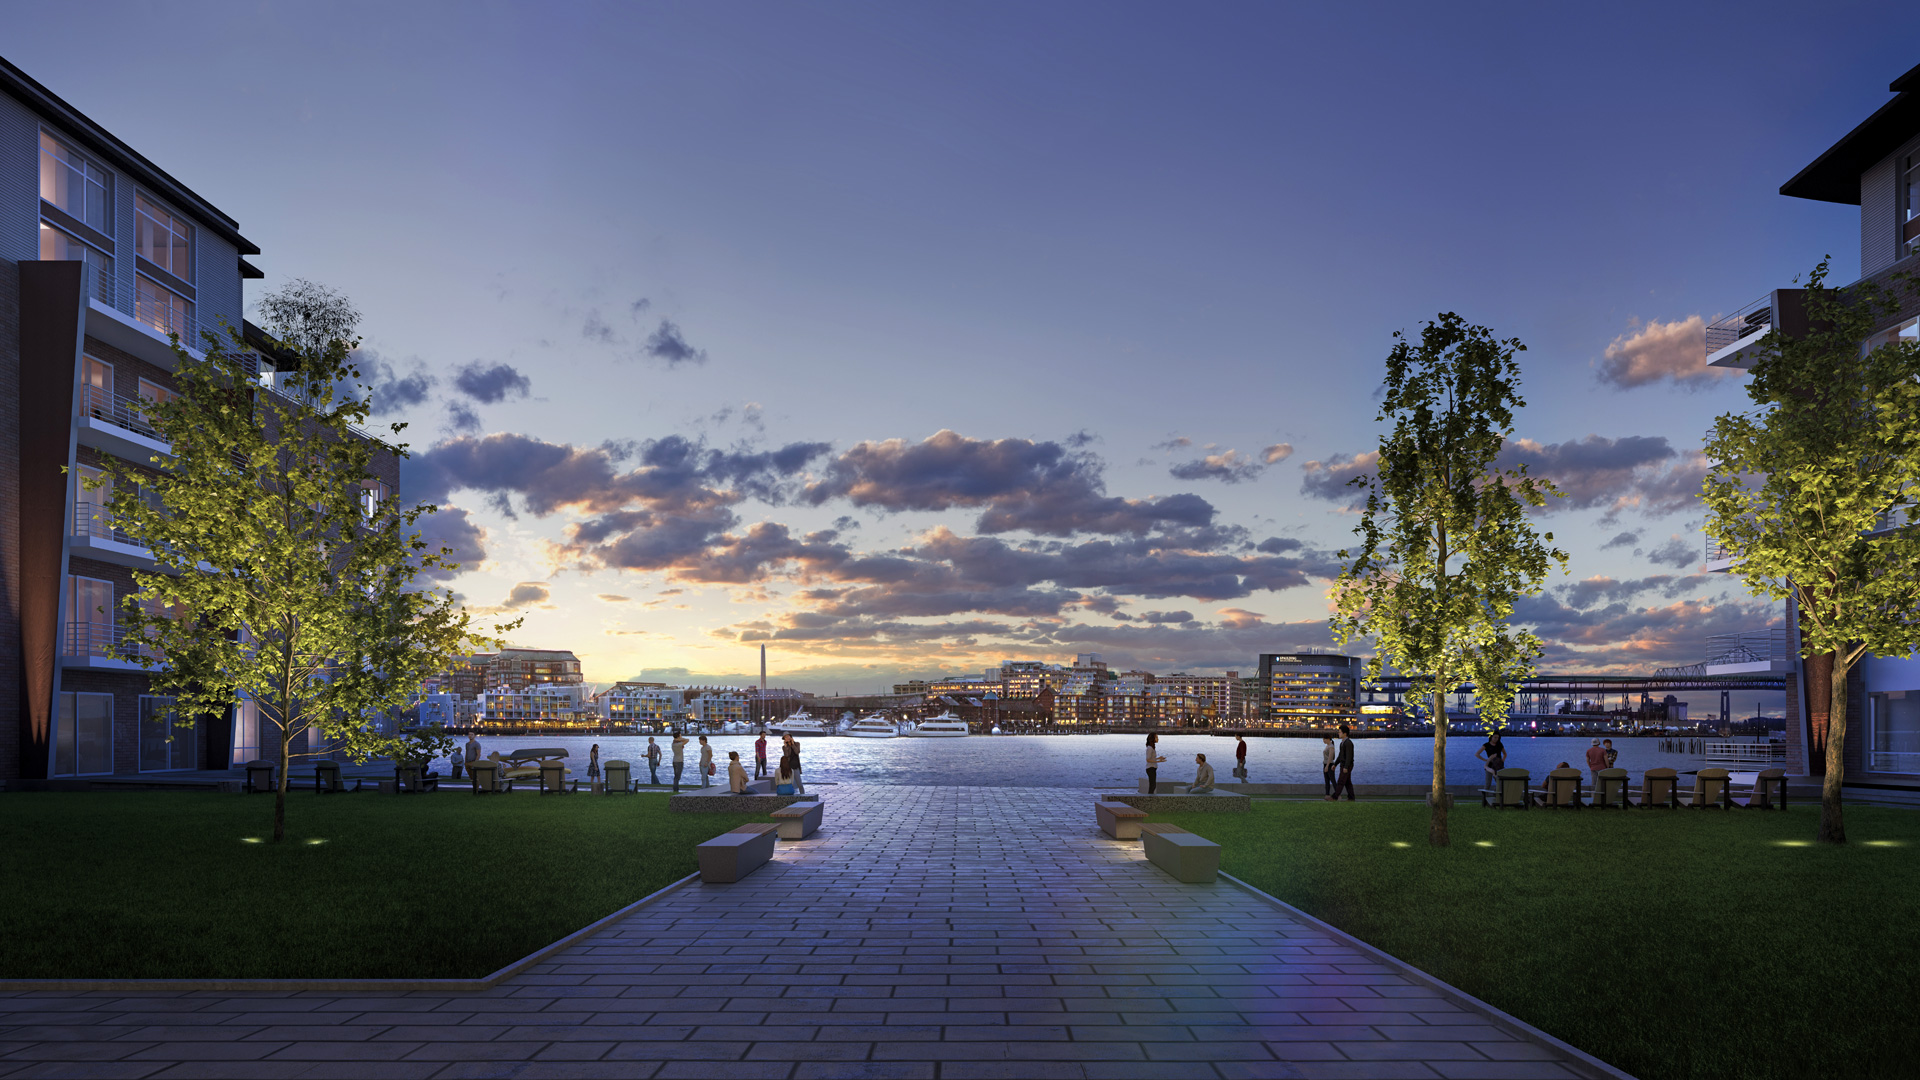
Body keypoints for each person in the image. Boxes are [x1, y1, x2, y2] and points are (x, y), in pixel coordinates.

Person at [1331, 724, 1356, 801]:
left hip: (1346, 765)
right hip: (1344, 765)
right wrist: (1335, 764)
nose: (1338, 733)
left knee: (1341, 781)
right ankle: (1351, 797)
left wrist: (1346, 767)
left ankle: (1335, 797)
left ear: (1344, 733)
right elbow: (1340, 755)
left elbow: (1349, 756)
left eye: (1340, 732)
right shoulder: (1342, 743)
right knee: (1347, 782)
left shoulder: (1348, 743)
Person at [1320, 734, 1337, 798]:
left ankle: (1338, 795)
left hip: (1329, 765)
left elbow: (1331, 757)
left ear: (1327, 739)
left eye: (1324, 739)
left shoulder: (1331, 746)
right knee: (1327, 781)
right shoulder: (1327, 746)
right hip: (1325, 764)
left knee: (1332, 780)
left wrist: (1327, 766)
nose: (1323, 741)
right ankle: (1327, 795)